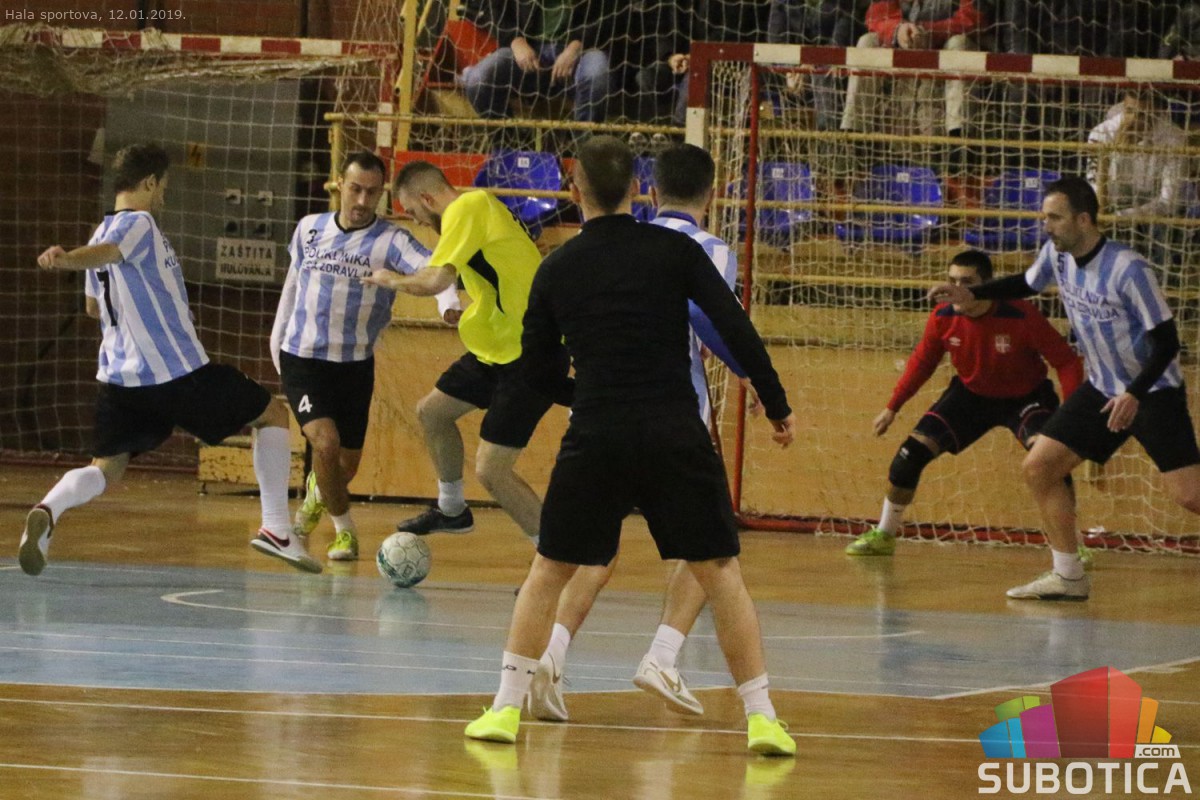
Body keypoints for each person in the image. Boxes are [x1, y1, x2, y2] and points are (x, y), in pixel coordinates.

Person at [463, 135, 797, 757]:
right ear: (639, 191)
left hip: (597, 433)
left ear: (574, 191)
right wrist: (776, 404)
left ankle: (505, 708)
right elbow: (735, 330)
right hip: (675, 430)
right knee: (720, 572)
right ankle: (763, 718)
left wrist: (586, 392)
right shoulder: (676, 250)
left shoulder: (556, 268)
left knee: (549, 570)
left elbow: (535, 372)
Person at [525, 143, 752, 723]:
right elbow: (714, 322)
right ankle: (663, 656)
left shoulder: (623, 242)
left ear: (649, 192)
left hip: (599, 411)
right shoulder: (706, 250)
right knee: (710, 551)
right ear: (713, 195)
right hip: (673, 415)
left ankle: (551, 652)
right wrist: (751, 371)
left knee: (591, 549)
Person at [20, 143, 304, 575]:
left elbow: (94, 308)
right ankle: (277, 529)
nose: (164, 196)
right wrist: (67, 260)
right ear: (149, 182)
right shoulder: (138, 224)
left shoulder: (101, 229)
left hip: (119, 381)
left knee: (106, 468)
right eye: (164, 187)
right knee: (272, 415)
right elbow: (109, 253)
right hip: (175, 372)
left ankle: (47, 510)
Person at [929, 176, 1200, 601]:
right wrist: (971, 292)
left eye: (1055, 218)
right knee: (1040, 467)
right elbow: (1026, 284)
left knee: (1189, 495)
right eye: (1045, 218)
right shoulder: (1056, 255)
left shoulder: (1128, 270)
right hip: (1102, 388)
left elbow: (1167, 342)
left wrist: (1133, 394)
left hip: (1151, 392)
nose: (1047, 226)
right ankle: (1069, 575)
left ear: (1083, 219)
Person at [269, 151, 460, 563]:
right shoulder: (309, 229)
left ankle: (314, 501)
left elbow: (437, 268)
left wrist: (448, 304)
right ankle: (345, 531)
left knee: (346, 466)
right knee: (325, 443)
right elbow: (293, 287)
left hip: (354, 364)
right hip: (302, 357)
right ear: (339, 183)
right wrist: (276, 344)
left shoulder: (391, 240)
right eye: (355, 189)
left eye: (372, 193)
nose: (361, 200)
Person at [365, 161, 564, 544]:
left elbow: (434, 279)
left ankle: (555, 555)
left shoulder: (467, 208)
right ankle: (452, 509)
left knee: (492, 470)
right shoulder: (472, 214)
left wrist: (391, 280)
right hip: (497, 347)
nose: (416, 220)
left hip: (532, 354)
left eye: (413, 211)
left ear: (427, 199)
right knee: (433, 412)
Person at [843, 250, 1086, 557]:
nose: (956, 289)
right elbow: (923, 362)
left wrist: (1072, 414)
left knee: (1048, 463)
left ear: (987, 284)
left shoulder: (1021, 314)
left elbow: (1066, 361)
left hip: (1027, 397)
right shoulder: (943, 316)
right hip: (971, 395)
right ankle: (885, 534)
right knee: (909, 456)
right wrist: (893, 406)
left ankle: (1072, 547)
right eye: (952, 280)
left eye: (967, 282)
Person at [840, 0, 984, 139]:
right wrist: (898, 30)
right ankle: (853, 134)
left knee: (959, 43)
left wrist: (928, 31)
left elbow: (973, 18)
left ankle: (959, 137)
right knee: (867, 41)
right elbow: (875, 17)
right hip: (904, 51)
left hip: (947, 51)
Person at [462, 0, 612, 131]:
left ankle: (586, 149)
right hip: (527, 48)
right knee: (478, 80)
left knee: (597, 74)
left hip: (580, 51)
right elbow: (493, 8)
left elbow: (607, 14)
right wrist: (515, 40)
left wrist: (576, 46)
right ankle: (508, 146)